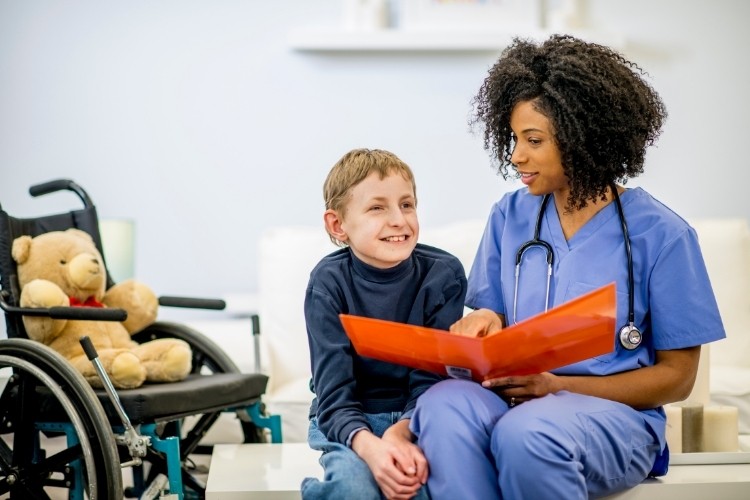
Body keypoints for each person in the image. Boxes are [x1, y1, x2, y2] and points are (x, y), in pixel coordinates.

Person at [409, 35, 726, 499]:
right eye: (514, 138)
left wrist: (557, 386)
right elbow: (490, 316)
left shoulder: (663, 235)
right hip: (512, 399)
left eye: (533, 140)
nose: (516, 156)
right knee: (441, 408)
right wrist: (484, 322)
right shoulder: (509, 216)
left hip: (611, 416)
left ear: (581, 138)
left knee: (528, 435)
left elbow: (677, 378)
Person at [302, 148, 468, 500]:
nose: (399, 220)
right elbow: (334, 395)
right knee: (352, 489)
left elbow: (433, 381)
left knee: (419, 490)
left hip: (419, 418)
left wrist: (401, 434)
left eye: (406, 205)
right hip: (348, 422)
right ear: (338, 225)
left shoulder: (444, 275)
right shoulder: (327, 283)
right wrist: (372, 448)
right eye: (377, 207)